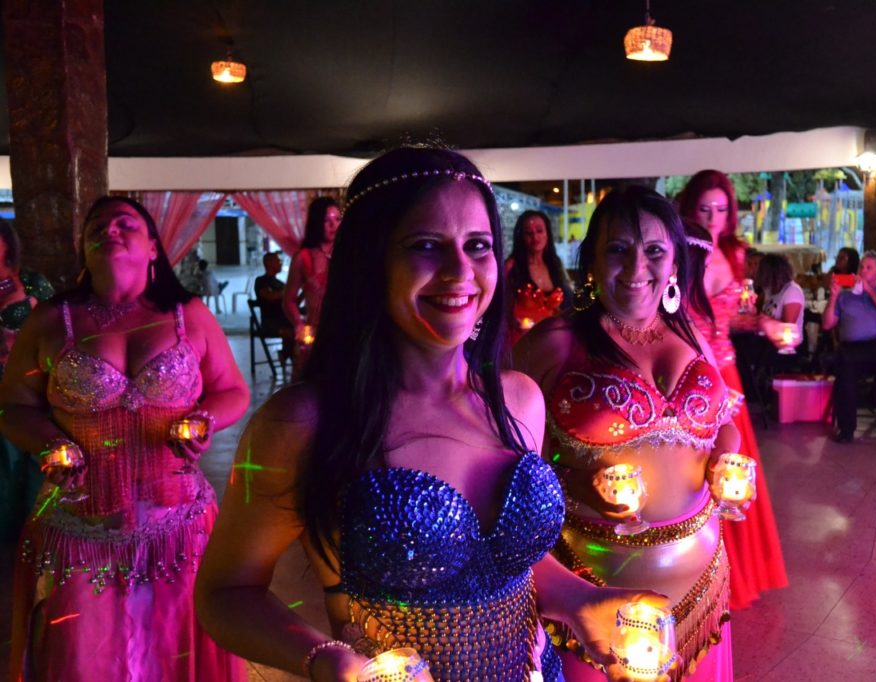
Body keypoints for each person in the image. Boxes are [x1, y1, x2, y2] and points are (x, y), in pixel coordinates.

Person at [195, 148, 661, 682]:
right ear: (371, 262)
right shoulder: (303, 424)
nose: (460, 271)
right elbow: (227, 592)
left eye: (477, 245)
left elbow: (502, 564)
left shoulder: (521, 401)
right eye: (425, 246)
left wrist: (580, 599)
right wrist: (324, 659)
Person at [2, 196, 249, 681]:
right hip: (81, 524)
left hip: (176, 521)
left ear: (154, 246)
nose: (110, 229)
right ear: (84, 246)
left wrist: (203, 421)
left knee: (173, 654)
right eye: (97, 224)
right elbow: (12, 407)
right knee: (82, 655)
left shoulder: (188, 314)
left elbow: (233, 391)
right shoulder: (52, 319)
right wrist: (50, 443)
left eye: (125, 223)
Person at [516, 185, 740, 680]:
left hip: (701, 579)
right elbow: (506, 464)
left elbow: (724, 423)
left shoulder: (692, 335)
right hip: (595, 586)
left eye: (654, 250)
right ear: (592, 263)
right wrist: (579, 481)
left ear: (675, 262)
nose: (638, 268)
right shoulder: (554, 343)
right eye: (618, 249)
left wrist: (726, 460)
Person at [676, 170, 788, 612]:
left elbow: (730, 317)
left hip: (726, 372)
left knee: (733, 473)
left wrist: (763, 322)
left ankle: (736, 575)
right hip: (688, 372)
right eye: (704, 209)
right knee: (692, 475)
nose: (713, 217)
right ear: (690, 208)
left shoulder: (735, 252)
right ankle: (693, 575)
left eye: (721, 209)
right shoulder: (679, 250)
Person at [0, 219, 55, 542]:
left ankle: (39, 531)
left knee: (37, 458)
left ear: (7, 243)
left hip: (34, 387)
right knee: (4, 466)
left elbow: (59, 328)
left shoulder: (33, 283)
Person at [822, 250, 876, 443]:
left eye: (869, 268)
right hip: (854, 353)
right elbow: (827, 324)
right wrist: (834, 296)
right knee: (846, 365)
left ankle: (842, 357)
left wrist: (869, 290)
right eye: (862, 267)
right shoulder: (845, 297)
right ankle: (846, 430)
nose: (863, 271)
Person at [505, 210, 572, 345]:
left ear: (547, 234)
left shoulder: (555, 264)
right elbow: (500, 306)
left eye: (539, 231)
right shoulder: (512, 266)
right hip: (522, 342)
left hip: (553, 340)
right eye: (528, 233)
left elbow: (567, 303)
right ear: (521, 237)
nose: (535, 237)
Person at [283, 196, 342, 334]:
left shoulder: (350, 253)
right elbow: (289, 301)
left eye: (337, 219)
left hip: (348, 332)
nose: (333, 225)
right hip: (317, 332)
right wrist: (299, 324)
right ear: (316, 223)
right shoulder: (303, 257)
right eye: (326, 220)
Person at [254, 251, 295, 366]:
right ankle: (288, 355)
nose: (281, 263)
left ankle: (288, 356)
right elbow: (269, 296)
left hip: (284, 320)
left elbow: (292, 301)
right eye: (278, 261)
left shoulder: (280, 283)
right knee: (294, 332)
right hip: (270, 323)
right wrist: (288, 292)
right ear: (269, 263)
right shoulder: (261, 281)